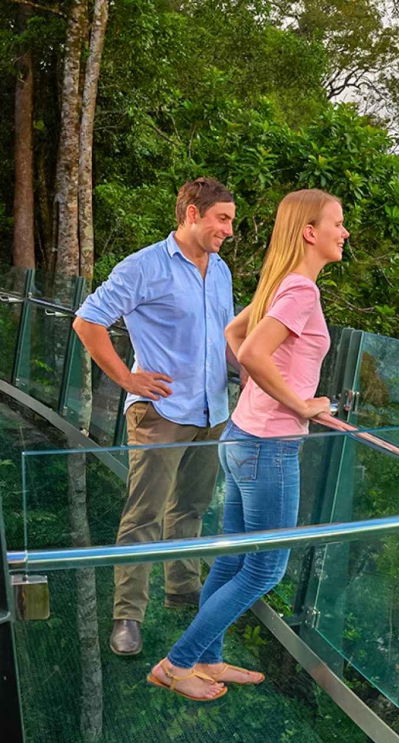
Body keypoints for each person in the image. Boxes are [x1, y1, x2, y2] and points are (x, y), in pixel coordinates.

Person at [148, 189, 343, 701]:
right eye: (337, 224)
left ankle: (208, 660)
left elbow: (236, 335)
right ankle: (178, 663)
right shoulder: (300, 291)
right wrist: (300, 403)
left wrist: (265, 388)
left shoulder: (283, 283)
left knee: (234, 561)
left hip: (242, 436)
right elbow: (253, 350)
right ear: (309, 231)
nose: (343, 234)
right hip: (268, 447)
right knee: (265, 567)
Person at [74, 178, 237, 658]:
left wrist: (249, 372)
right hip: (162, 411)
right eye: (221, 219)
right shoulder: (144, 266)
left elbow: (223, 338)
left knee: (190, 507)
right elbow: (88, 321)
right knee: (143, 515)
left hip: (211, 411)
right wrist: (127, 378)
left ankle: (183, 590)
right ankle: (127, 616)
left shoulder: (221, 269)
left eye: (230, 220)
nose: (229, 229)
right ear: (191, 214)